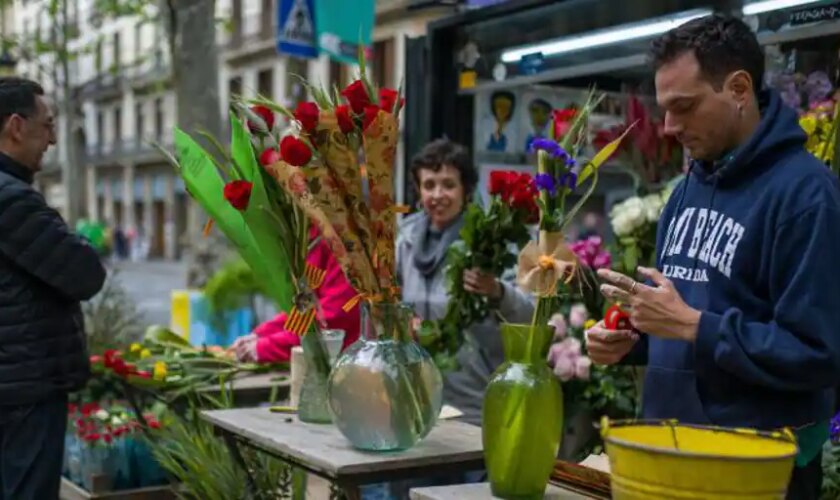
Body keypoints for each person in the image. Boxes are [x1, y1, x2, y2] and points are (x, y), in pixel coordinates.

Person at [586, 15, 840, 499]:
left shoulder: (807, 196)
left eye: (684, 107)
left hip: (753, 475)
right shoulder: (685, 191)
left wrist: (691, 326)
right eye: (665, 109)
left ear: (739, 88)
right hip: (665, 459)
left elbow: (818, 353)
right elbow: (688, 314)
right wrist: (634, 338)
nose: (669, 127)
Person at [0, 77, 107, 499]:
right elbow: (85, 274)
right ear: (15, 126)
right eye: (46, 125)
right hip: (23, 388)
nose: (52, 138)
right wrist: (79, 239)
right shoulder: (11, 200)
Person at [398, 138, 535, 424]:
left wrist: (497, 290)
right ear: (418, 190)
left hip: (472, 398)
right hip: (415, 392)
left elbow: (529, 314)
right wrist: (402, 322)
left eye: (448, 184)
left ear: (466, 190)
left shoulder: (488, 242)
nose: (438, 194)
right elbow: (390, 302)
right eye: (429, 185)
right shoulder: (405, 241)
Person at [231, 226, 361, 363]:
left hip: (348, 362)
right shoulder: (311, 236)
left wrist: (265, 347)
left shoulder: (339, 241)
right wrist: (260, 334)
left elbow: (333, 319)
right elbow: (305, 308)